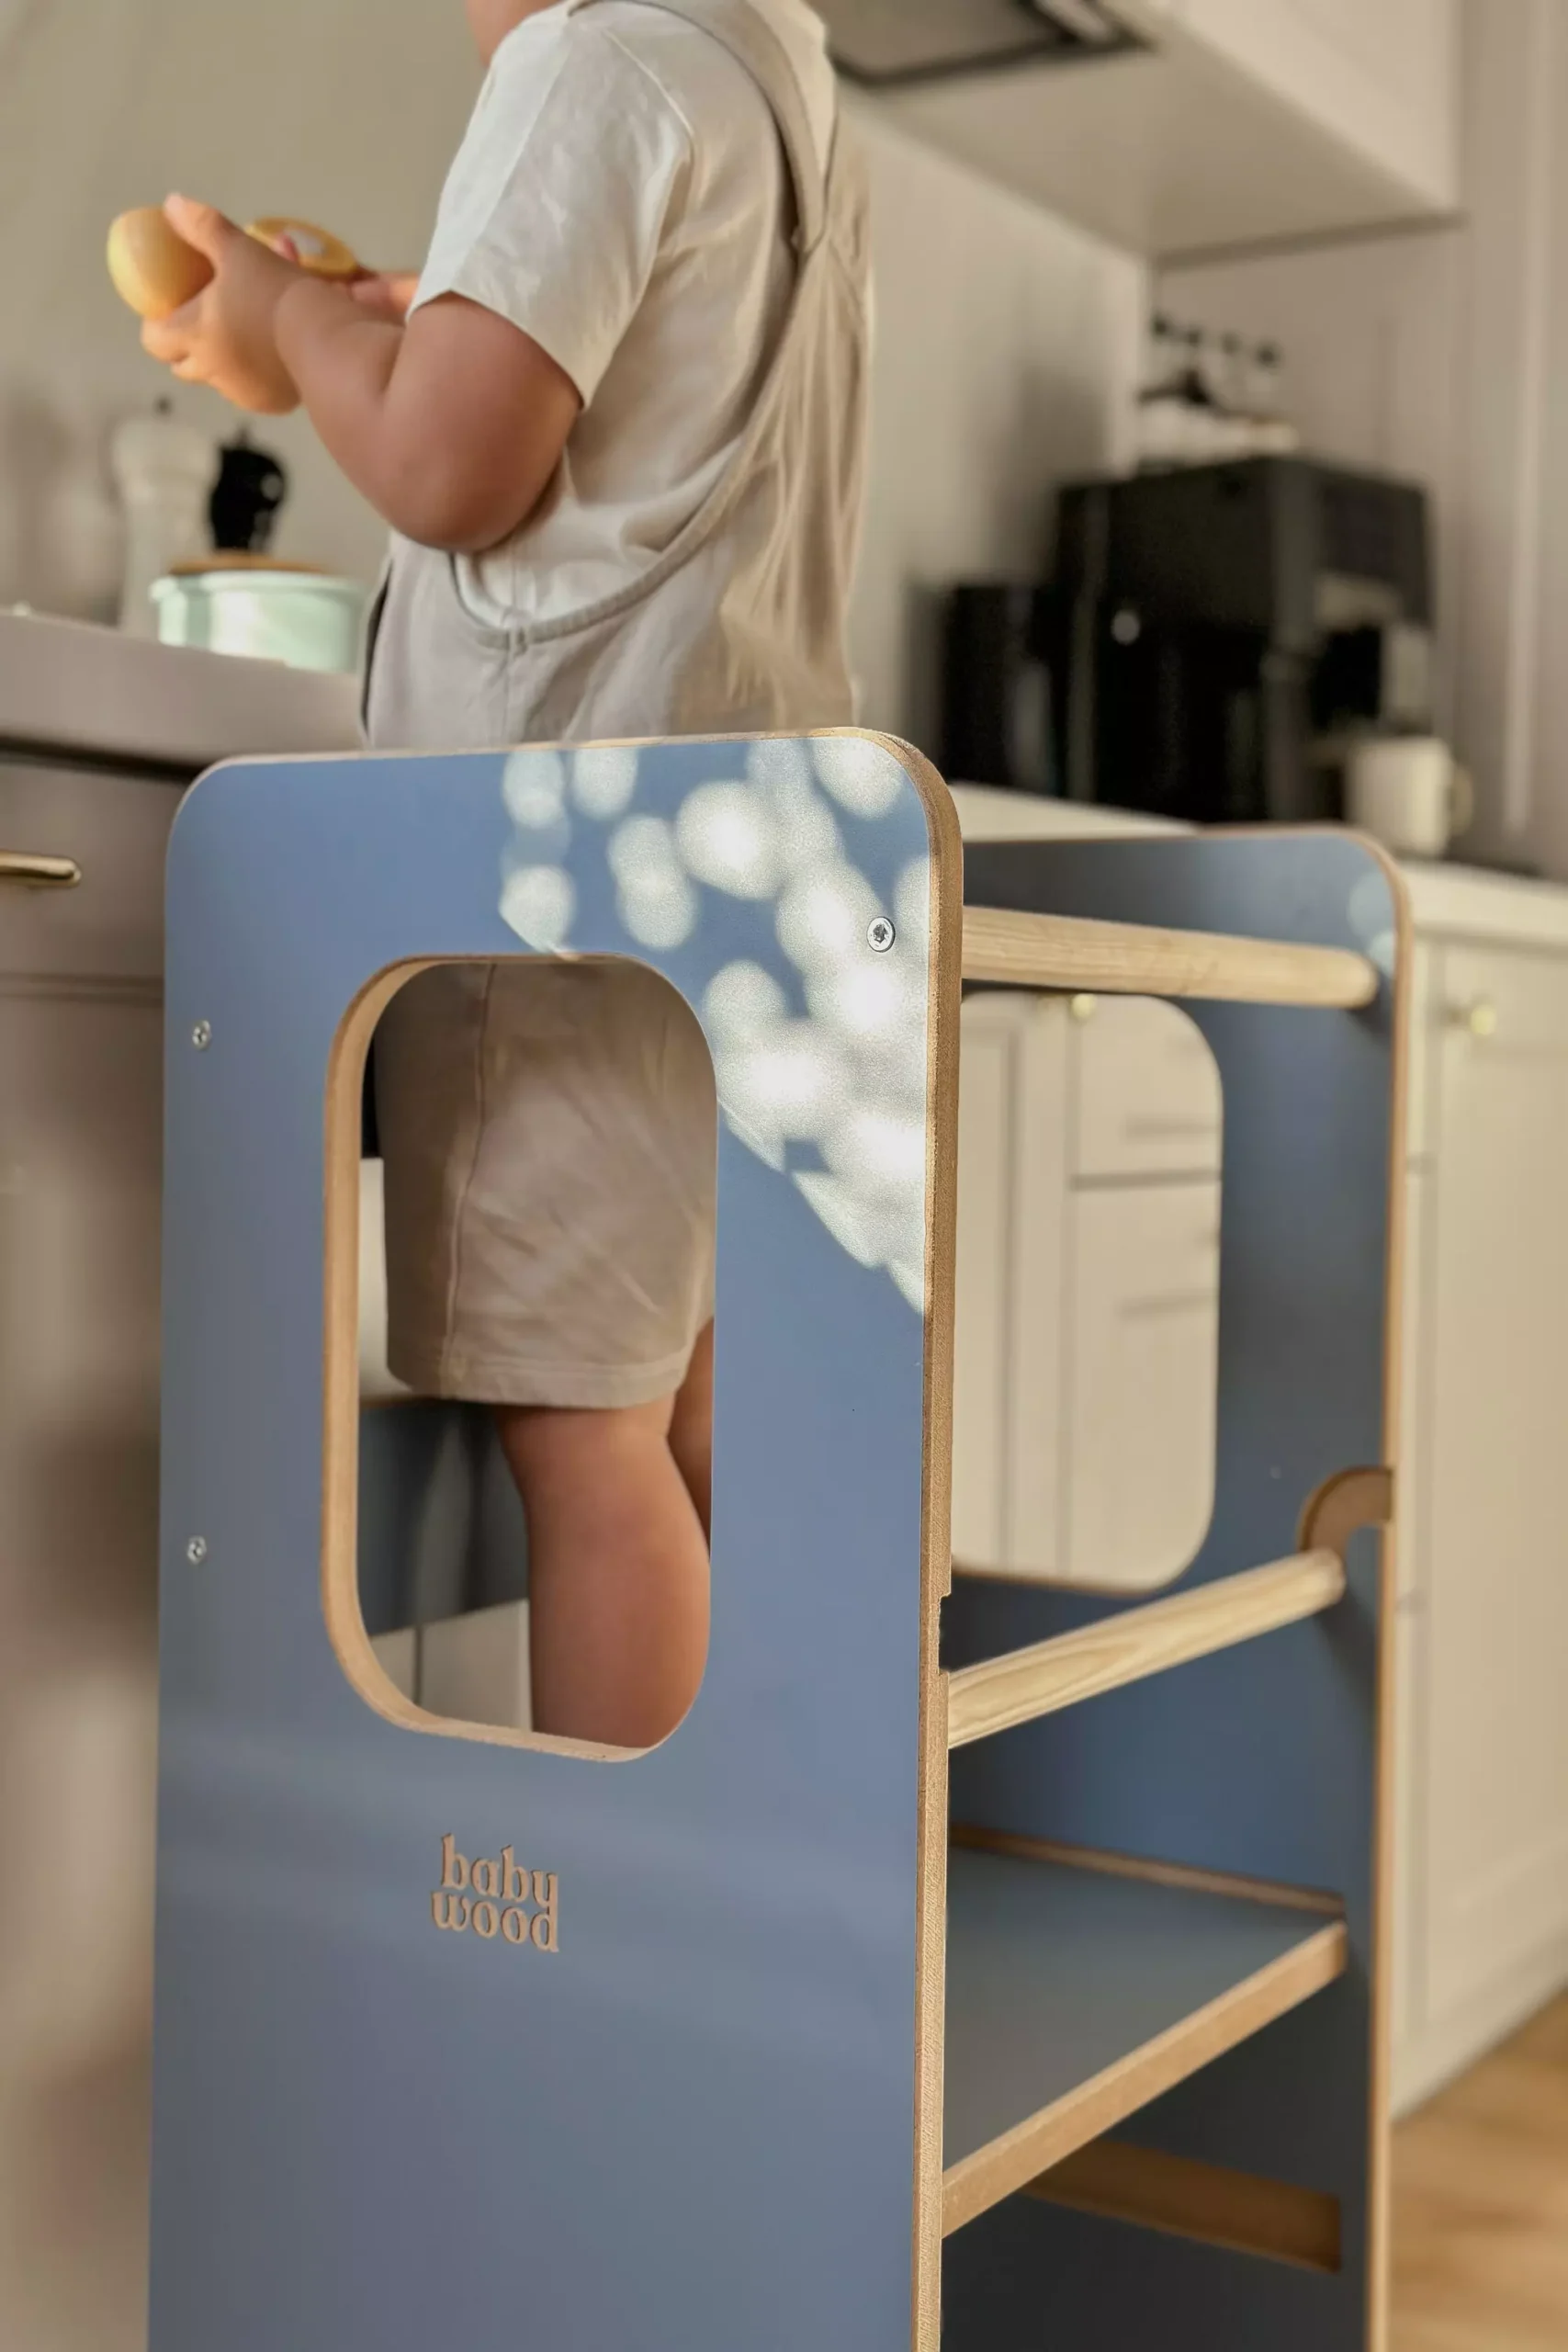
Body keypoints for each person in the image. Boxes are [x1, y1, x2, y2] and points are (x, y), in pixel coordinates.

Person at [139, 0, 870, 1749]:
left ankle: (629, 1910)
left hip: (556, 888)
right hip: (727, 867)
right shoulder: (777, 73)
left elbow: (448, 470)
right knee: (694, 1404)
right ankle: (785, 1855)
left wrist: (294, 322)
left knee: (584, 1432)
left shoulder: (591, 64)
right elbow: (600, 421)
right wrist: (414, 329)